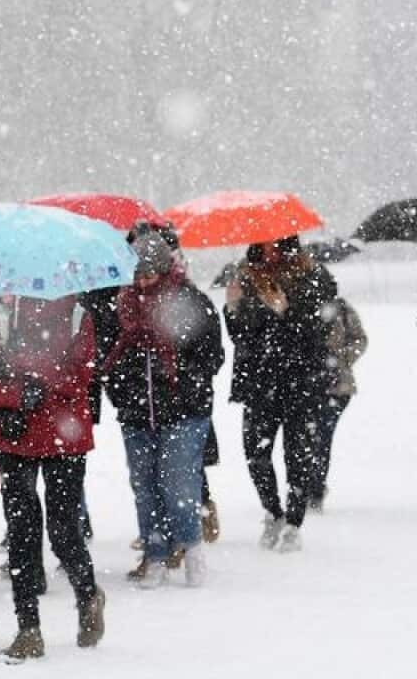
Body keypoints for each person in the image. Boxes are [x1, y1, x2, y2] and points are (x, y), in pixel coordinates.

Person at [0, 295, 106, 663]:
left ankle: (87, 594)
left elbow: (81, 374)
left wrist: (33, 379)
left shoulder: (79, 314)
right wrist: (14, 396)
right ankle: (28, 628)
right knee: (21, 533)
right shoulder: (2, 316)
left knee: (64, 531)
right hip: (16, 435)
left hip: (65, 437)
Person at [104, 222, 225, 585]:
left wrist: (182, 379)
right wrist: (123, 388)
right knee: (144, 484)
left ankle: (191, 547)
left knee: (177, 483)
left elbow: (211, 357)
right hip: (137, 412)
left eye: (149, 273)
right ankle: (155, 551)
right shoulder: (122, 307)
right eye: (137, 274)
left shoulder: (190, 302)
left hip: (184, 411)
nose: (142, 282)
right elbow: (107, 355)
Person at [224, 235, 337, 552]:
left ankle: (294, 522)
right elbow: (241, 338)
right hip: (259, 384)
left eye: (276, 245)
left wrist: (287, 311)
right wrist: (233, 308)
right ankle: (273, 511)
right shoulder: (246, 278)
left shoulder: (312, 276)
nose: (270, 252)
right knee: (256, 454)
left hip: (301, 383)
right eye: (263, 245)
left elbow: (321, 331)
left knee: (298, 455)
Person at [309, 295, 368, 512]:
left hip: (337, 386)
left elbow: (360, 339)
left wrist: (339, 356)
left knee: (322, 437)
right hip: (306, 385)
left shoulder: (342, 309)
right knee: (308, 438)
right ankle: (308, 484)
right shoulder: (299, 306)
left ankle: (315, 487)